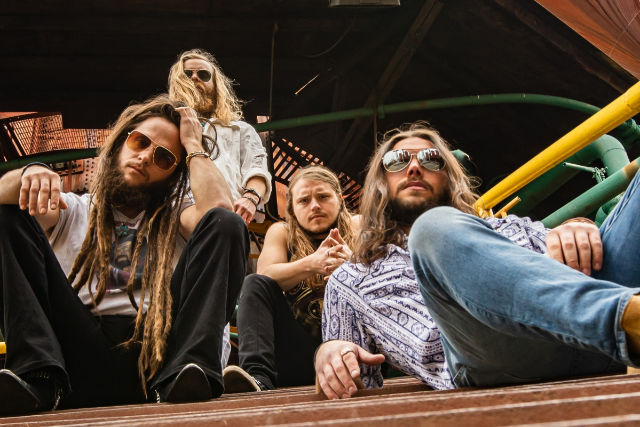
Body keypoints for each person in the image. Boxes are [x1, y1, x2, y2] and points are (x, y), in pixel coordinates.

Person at [315, 122, 627, 400]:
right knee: (432, 227)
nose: (414, 168)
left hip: (596, 335)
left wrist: (578, 229)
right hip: (498, 353)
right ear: (380, 180)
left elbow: (572, 251)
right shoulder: (349, 281)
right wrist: (328, 352)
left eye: (431, 159)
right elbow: (354, 388)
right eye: (397, 160)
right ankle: (621, 317)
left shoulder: (507, 227)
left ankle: (623, 319)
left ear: (448, 176)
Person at [0, 96, 249, 415]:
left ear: (173, 174)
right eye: (139, 142)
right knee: (7, 214)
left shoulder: (179, 217)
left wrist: (193, 145)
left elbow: (221, 211)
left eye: (163, 157)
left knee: (226, 223)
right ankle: (38, 377)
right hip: (77, 353)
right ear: (120, 143)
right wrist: (30, 172)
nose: (144, 157)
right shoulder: (73, 209)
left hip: (161, 361)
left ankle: (190, 369)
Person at [223, 165, 358, 392]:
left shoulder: (359, 226)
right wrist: (312, 263)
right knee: (254, 283)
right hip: (298, 355)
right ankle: (258, 378)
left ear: (340, 200)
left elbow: (388, 280)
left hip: (353, 353)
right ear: (293, 209)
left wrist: (353, 266)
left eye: (323, 197)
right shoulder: (282, 232)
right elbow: (264, 276)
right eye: (304, 200)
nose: (315, 206)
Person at [168, 48, 271, 225]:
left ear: (216, 84)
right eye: (187, 74)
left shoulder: (240, 130)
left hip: (225, 222)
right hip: (171, 224)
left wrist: (250, 198)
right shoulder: (164, 125)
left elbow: (257, 170)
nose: (195, 77)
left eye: (203, 74)